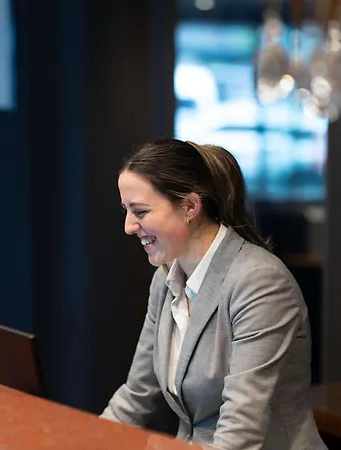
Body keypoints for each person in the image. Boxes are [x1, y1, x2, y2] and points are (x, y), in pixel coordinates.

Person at [100, 138, 327, 450]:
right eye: (126, 210)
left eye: (140, 211)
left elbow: (240, 430)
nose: (128, 226)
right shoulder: (165, 278)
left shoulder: (259, 281)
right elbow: (136, 396)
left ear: (190, 207)